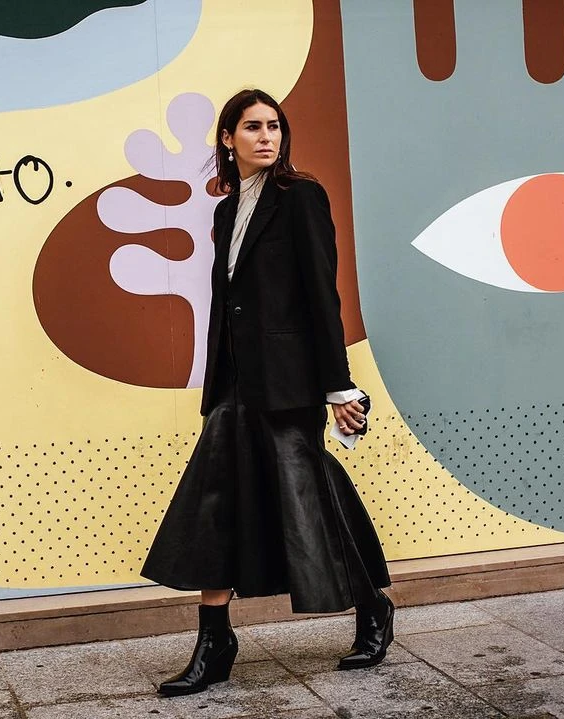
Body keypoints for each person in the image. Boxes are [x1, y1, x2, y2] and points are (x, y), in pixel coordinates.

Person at [140, 89, 394, 697]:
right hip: (234, 383)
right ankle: (215, 639)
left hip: (288, 383)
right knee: (215, 502)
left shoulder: (300, 196)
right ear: (228, 139)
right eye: (252, 127)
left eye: (274, 126)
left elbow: (321, 295)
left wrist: (337, 386)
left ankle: (371, 605)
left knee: (309, 499)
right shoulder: (226, 211)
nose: (266, 137)